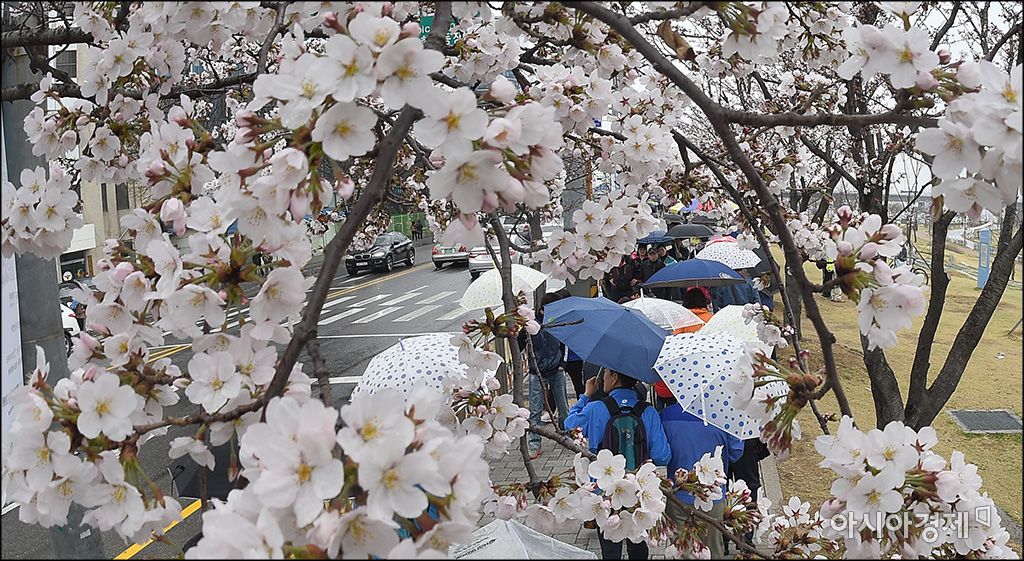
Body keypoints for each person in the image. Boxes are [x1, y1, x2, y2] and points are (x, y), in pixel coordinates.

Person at [566, 368, 670, 560]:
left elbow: (570, 424)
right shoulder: (648, 411)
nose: (602, 377)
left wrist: (586, 395)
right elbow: (663, 456)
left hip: (603, 491)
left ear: (614, 377)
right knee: (638, 544)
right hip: (639, 491)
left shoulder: (596, 407)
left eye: (605, 373)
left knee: (610, 546)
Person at [656, 381, 744, 559]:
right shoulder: (724, 415)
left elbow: (661, 455)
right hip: (713, 495)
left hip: (677, 494)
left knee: (682, 550)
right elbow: (736, 453)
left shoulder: (665, 415)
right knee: (713, 550)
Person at [520, 293, 570, 459]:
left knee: (563, 406)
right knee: (535, 410)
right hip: (537, 372)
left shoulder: (557, 322)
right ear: (541, 310)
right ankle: (534, 443)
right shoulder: (532, 325)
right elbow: (520, 344)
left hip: (557, 370)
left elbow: (565, 345)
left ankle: (566, 434)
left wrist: (563, 364)